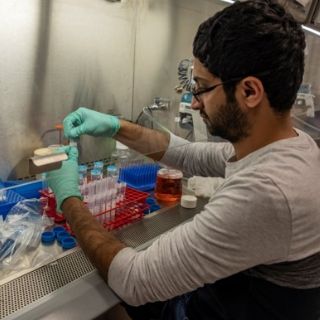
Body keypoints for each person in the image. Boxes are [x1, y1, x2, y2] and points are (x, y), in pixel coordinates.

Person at [47, 0, 320, 319]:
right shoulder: (294, 147)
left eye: (202, 88)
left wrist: (68, 198)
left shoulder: (268, 192)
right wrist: (115, 126)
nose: (194, 102)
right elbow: (187, 154)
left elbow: (132, 279)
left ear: (249, 92)